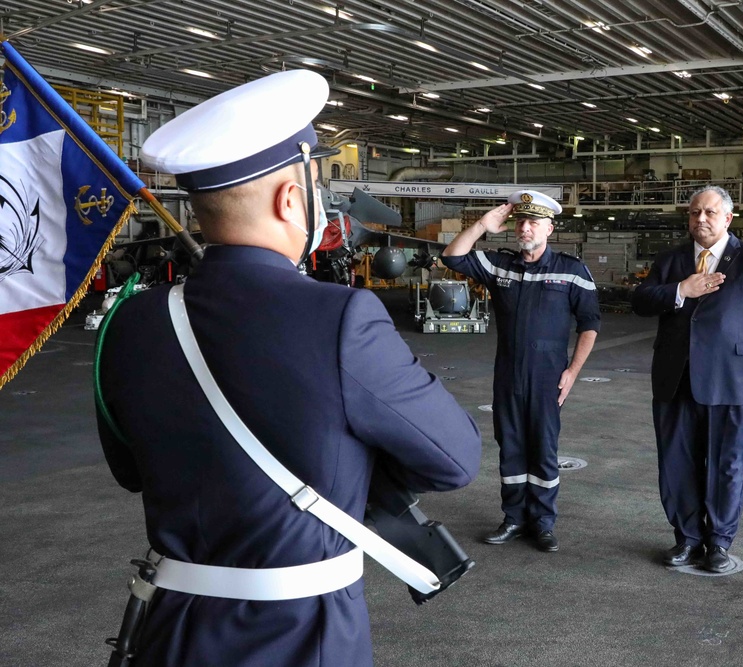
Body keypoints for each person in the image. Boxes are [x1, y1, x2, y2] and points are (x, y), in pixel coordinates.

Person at [95, 70, 482, 666]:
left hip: (168, 630)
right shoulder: (343, 317)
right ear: (291, 198)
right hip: (302, 635)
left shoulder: (132, 320)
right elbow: (455, 459)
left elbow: (131, 469)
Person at [632, 185, 743, 574]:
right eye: (694, 213)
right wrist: (680, 290)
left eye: (709, 213)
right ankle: (687, 538)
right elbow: (640, 301)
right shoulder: (671, 261)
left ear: (728, 218)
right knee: (677, 462)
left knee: (728, 464)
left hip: (735, 383)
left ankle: (718, 542)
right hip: (676, 380)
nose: (700, 220)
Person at [441, 190, 600, 553]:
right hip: (508, 375)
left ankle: (542, 522)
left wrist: (573, 372)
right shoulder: (500, 264)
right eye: (520, 221)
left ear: (550, 227)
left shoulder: (572, 271)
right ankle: (513, 518)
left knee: (543, 448)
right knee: (510, 447)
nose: (525, 228)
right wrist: (483, 224)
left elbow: (590, 324)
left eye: (533, 222)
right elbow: (452, 256)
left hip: (548, 377)